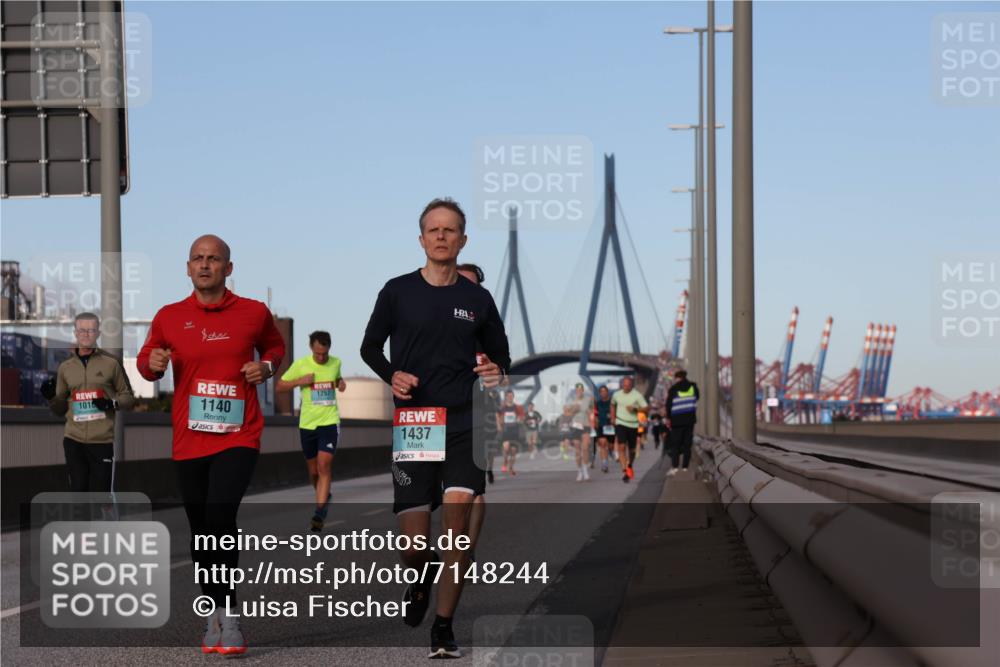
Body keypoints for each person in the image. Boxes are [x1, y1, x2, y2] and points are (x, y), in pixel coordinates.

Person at [360, 198, 510, 659]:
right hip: (416, 424)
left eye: (451, 230)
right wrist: (392, 375)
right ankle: (420, 574)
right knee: (412, 546)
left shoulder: (477, 299)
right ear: (422, 238)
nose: (442, 237)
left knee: (458, 528)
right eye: (433, 230)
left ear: (463, 240)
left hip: (464, 423)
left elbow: (501, 357)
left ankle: (443, 626)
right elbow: (369, 348)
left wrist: (495, 372)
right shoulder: (397, 291)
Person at [137, 235, 285, 656]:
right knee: (202, 532)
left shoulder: (254, 313)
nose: (205, 265)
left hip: (238, 436)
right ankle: (213, 615)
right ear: (188, 268)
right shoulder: (169, 316)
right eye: (198, 259)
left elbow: (275, 346)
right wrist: (152, 363)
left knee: (221, 517)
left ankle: (231, 618)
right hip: (189, 440)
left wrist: (267, 367)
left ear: (228, 268)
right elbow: (146, 362)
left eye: (214, 259)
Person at [41, 312, 135, 494]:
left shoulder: (111, 363)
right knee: (78, 494)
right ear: (75, 333)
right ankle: (81, 524)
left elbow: (129, 398)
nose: (86, 334)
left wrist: (111, 404)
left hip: (102, 441)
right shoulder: (65, 367)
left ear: (98, 334)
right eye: (82, 330)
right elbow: (60, 410)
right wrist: (52, 397)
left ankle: (102, 522)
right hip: (73, 441)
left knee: (101, 497)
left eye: (91, 330)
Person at [276, 330, 347, 532]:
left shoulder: (336, 363)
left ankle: (319, 512)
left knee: (324, 465)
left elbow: (337, 380)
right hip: (307, 424)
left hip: (329, 421)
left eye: (324, 353)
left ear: (329, 349)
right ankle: (325, 497)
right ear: (311, 349)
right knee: (313, 471)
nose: (321, 357)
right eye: (318, 354)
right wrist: (300, 381)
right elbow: (280, 386)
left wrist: (340, 383)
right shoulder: (301, 365)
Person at [610, 376, 648, 483]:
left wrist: (635, 408)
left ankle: (630, 465)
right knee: (621, 446)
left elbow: (646, 408)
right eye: (624, 385)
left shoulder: (637, 395)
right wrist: (613, 417)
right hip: (620, 423)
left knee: (632, 450)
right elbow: (612, 405)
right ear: (622, 385)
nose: (626, 387)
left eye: (628, 385)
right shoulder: (616, 394)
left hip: (633, 425)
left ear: (632, 385)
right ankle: (625, 470)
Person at [665, 369, 700, 476]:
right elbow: (697, 397)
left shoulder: (673, 389)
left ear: (677, 378)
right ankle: (685, 467)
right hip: (689, 419)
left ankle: (675, 467)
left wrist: (668, 418)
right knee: (687, 444)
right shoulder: (693, 387)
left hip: (676, 421)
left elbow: (668, 405)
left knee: (675, 444)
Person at [564, 383, 592, 481]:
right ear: (575, 391)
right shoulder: (571, 400)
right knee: (577, 450)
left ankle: (585, 470)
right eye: (577, 390)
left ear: (583, 390)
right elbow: (565, 413)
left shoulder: (588, 399)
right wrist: (573, 410)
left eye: (581, 389)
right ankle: (579, 471)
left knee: (585, 448)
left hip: (585, 426)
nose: (579, 391)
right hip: (575, 427)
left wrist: (592, 424)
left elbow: (591, 412)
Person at [496, 389, 524, 475]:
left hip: (515, 431)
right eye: (508, 396)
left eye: (511, 396)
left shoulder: (517, 407)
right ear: (506, 397)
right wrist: (499, 425)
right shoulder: (502, 407)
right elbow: (497, 415)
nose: (510, 397)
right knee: (506, 447)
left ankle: (511, 467)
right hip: (506, 431)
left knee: (513, 451)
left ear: (513, 396)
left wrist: (520, 419)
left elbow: (522, 417)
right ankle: (505, 462)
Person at [592, 385, 614, 474]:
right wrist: (596, 421)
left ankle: (611, 452)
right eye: (601, 392)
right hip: (601, 426)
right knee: (602, 444)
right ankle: (604, 463)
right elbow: (595, 414)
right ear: (600, 393)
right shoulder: (597, 403)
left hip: (611, 427)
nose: (603, 393)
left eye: (604, 391)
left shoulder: (612, 403)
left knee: (610, 446)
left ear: (607, 392)